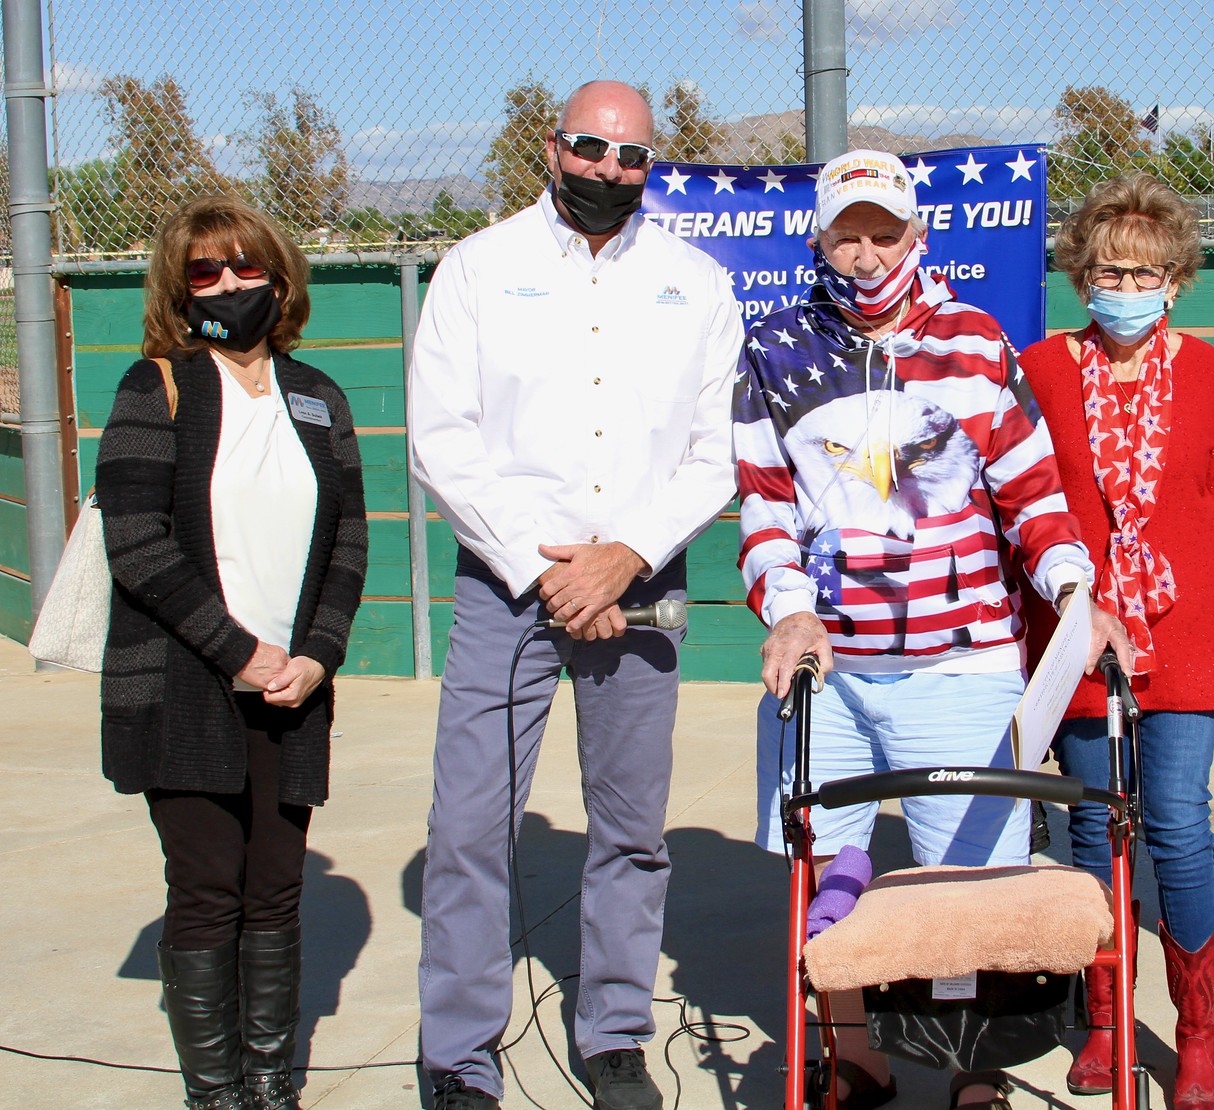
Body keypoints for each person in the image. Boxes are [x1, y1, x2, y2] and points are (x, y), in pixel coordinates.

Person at [736, 148, 1130, 1110]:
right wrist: (788, 609)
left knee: (973, 889)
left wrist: (1077, 592)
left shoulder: (979, 342)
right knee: (825, 869)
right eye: (847, 234)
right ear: (818, 238)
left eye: (884, 233)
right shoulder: (774, 350)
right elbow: (761, 507)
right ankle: (853, 1055)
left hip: (962, 666)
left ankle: (974, 1075)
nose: (867, 254)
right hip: (828, 671)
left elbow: (1032, 496)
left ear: (918, 235)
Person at [408, 80, 742, 1110]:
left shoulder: (696, 283)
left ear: (653, 165)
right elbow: (442, 439)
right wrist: (549, 570)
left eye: (631, 156)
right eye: (591, 149)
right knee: (468, 828)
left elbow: (715, 450)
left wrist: (626, 555)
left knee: (630, 829)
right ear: (552, 149)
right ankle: (459, 1056)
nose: (608, 170)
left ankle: (613, 1033)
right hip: (508, 585)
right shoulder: (479, 268)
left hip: (638, 587)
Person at [97, 195, 368, 1110]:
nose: (228, 284)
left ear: (278, 275)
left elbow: (350, 544)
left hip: (293, 690)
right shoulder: (157, 387)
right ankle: (215, 1094)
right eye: (204, 270)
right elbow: (136, 547)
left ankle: (269, 1083)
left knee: (278, 890)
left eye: (245, 265)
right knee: (208, 889)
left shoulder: (318, 397)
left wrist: (318, 655)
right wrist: (240, 652)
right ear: (178, 288)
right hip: (186, 686)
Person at [1018, 173, 1214, 1110]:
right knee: (1093, 824)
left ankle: (1198, 1036)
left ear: (1177, 280)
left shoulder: (1208, 373)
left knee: (1174, 821)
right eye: (1109, 268)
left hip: (1191, 626)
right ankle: (1105, 1021)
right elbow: (1025, 509)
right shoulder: (1043, 369)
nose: (1124, 286)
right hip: (1084, 633)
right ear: (1081, 274)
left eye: (1146, 271)